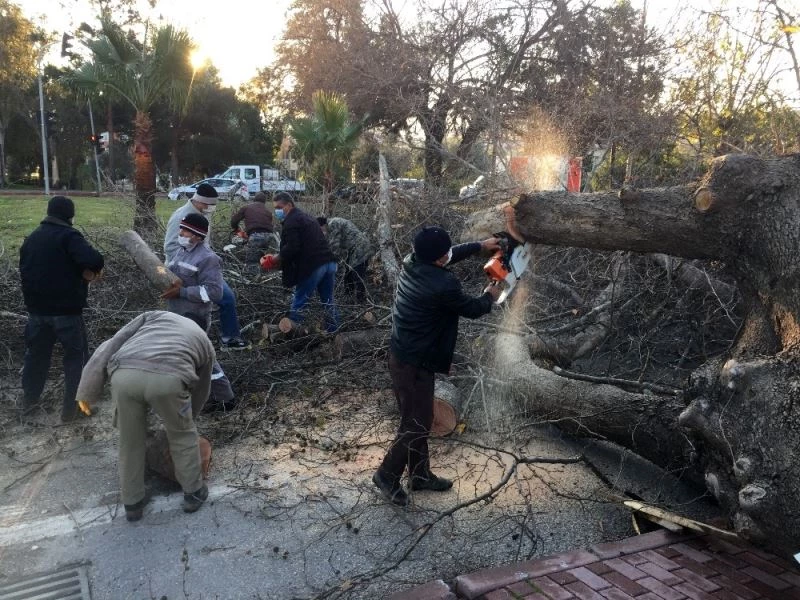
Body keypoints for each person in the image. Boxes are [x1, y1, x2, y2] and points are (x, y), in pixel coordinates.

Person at [373, 226, 501, 506]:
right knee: (417, 424)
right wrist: (490, 295)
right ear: (438, 258)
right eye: (445, 253)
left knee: (417, 418)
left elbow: (451, 254)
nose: (448, 255)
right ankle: (386, 475)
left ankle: (419, 474)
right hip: (414, 361)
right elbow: (472, 309)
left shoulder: (414, 260)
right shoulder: (442, 285)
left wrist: (481, 245)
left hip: (403, 354)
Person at [75, 311, 214, 521]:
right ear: (203, 326)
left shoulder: (155, 316)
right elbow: (202, 389)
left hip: (124, 375)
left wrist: (87, 388)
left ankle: (132, 502)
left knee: (130, 440)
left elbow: (112, 343)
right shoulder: (203, 340)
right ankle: (193, 493)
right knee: (182, 436)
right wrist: (185, 418)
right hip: (169, 378)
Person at [19, 195, 104, 422]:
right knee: (76, 360)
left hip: (36, 312)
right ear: (70, 215)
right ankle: (72, 411)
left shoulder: (32, 238)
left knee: (36, 357)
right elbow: (94, 260)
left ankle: (29, 404)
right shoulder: (69, 236)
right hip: (66, 312)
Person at [161, 214, 235, 412]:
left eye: (185, 230)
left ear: (197, 235)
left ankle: (225, 398)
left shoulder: (208, 259)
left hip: (195, 317)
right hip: (178, 315)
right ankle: (198, 395)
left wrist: (182, 292)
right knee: (193, 357)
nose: (181, 233)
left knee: (203, 359)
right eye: (181, 229)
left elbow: (214, 292)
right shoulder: (181, 251)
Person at [164, 183, 249, 350]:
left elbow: (203, 243)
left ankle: (204, 339)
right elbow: (170, 247)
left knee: (207, 304)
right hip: (186, 270)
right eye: (211, 205)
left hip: (200, 265)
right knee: (225, 297)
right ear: (202, 202)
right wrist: (187, 267)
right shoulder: (183, 216)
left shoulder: (199, 214)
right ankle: (227, 339)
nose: (213, 208)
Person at [261, 193, 339, 332]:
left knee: (300, 301)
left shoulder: (292, 221)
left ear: (289, 205)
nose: (277, 211)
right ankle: (333, 331)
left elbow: (292, 247)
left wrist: (275, 258)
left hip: (313, 266)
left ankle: (293, 334)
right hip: (329, 262)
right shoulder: (307, 217)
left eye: (279, 207)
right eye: (275, 208)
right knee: (328, 301)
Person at [317, 216, 373, 302]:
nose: (320, 232)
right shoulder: (330, 226)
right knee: (348, 276)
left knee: (357, 275)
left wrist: (327, 265)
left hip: (361, 248)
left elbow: (334, 248)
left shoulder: (333, 224)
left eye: (320, 229)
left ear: (322, 225)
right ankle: (348, 299)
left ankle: (361, 301)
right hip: (353, 251)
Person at [230, 191, 278, 272]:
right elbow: (267, 226)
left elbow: (234, 221)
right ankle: (265, 277)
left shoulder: (247, 207)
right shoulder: (268, 211)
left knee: (252, 264)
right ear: (264, 201)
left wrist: (236, 229)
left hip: (256, 236)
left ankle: (253, 281)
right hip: (271, 237)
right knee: (266, 261)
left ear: (254, 199)